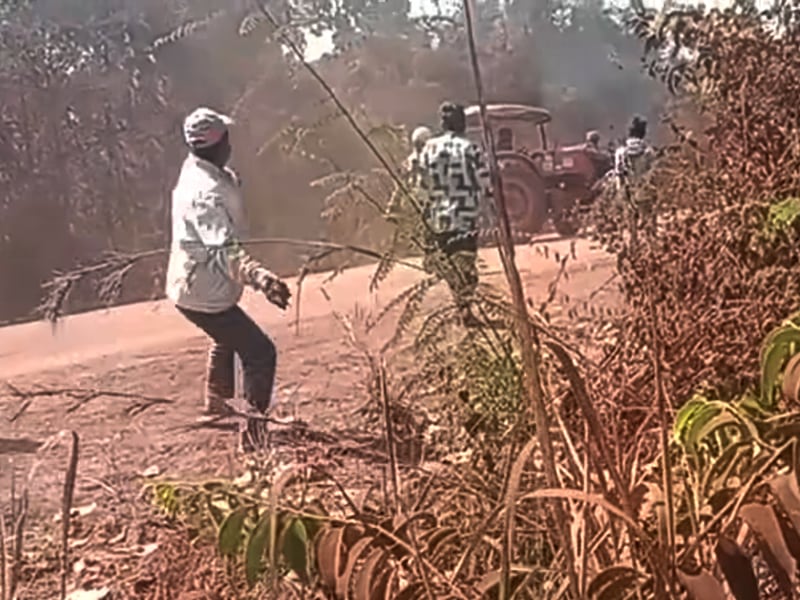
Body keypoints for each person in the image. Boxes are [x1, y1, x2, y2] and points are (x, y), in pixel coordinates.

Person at [165, 106, 292, 453]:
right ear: (220, 144)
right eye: (227, 138)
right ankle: (254, 435)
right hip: (203, 289)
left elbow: (221, 185)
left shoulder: (197, 168)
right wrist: (261, 278)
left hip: (189, 283)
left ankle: (216, 399)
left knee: (226, 335)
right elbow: (224, 253)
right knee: (260, 352)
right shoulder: (204, 195)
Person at [418, 101, 492, 328]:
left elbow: (422, 188)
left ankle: (461, 307)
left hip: (439, 220)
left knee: (451, 268)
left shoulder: (428, 149)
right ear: (463, 124)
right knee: (467, 266)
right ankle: (465, 310)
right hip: (465, 218)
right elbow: (486, 184)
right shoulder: (471, 149)